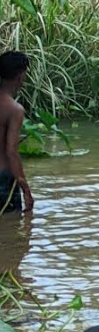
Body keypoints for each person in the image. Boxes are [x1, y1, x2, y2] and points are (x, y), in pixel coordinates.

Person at [1, 51, 33, 214]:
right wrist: (25, 187)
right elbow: (11, 152)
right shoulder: (14, 109)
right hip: (3, 179)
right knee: (12, 228)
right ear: (20, 76)